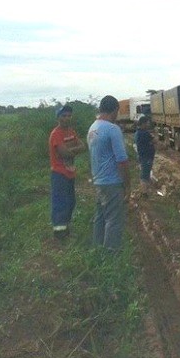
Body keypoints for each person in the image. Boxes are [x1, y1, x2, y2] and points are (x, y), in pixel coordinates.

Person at [87, 95, 131, 250]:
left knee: (100, 218)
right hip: (112, 182)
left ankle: (97, 249)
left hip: (98, 181)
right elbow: (122, 161)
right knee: (114, 220)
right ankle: (111, 256)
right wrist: (128, 186)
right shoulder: (113, 129)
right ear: (115, 110)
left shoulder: (93, 128)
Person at [49, 104, 86, 239]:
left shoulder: (71, 131)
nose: (67, 118)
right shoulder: (56, 134)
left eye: (69, 115)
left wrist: (71, 151)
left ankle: (65, 228)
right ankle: (59, 233)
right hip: (59, 173)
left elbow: (83, 146)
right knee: (60, 203)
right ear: (58, 117)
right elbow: (64, 153)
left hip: (70, 172)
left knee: (71, 202)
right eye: (64, 116)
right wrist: (73, 150)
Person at [134, 115, 155, 197]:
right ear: (143, 123)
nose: (148, 124)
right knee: (145, 175)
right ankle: (144, 193)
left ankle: (146, 190)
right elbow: (154, 141)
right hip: (146, 157)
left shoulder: (137, 133)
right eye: (147, 123)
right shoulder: (144, 133)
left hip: (142, 156)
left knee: (145, 173)